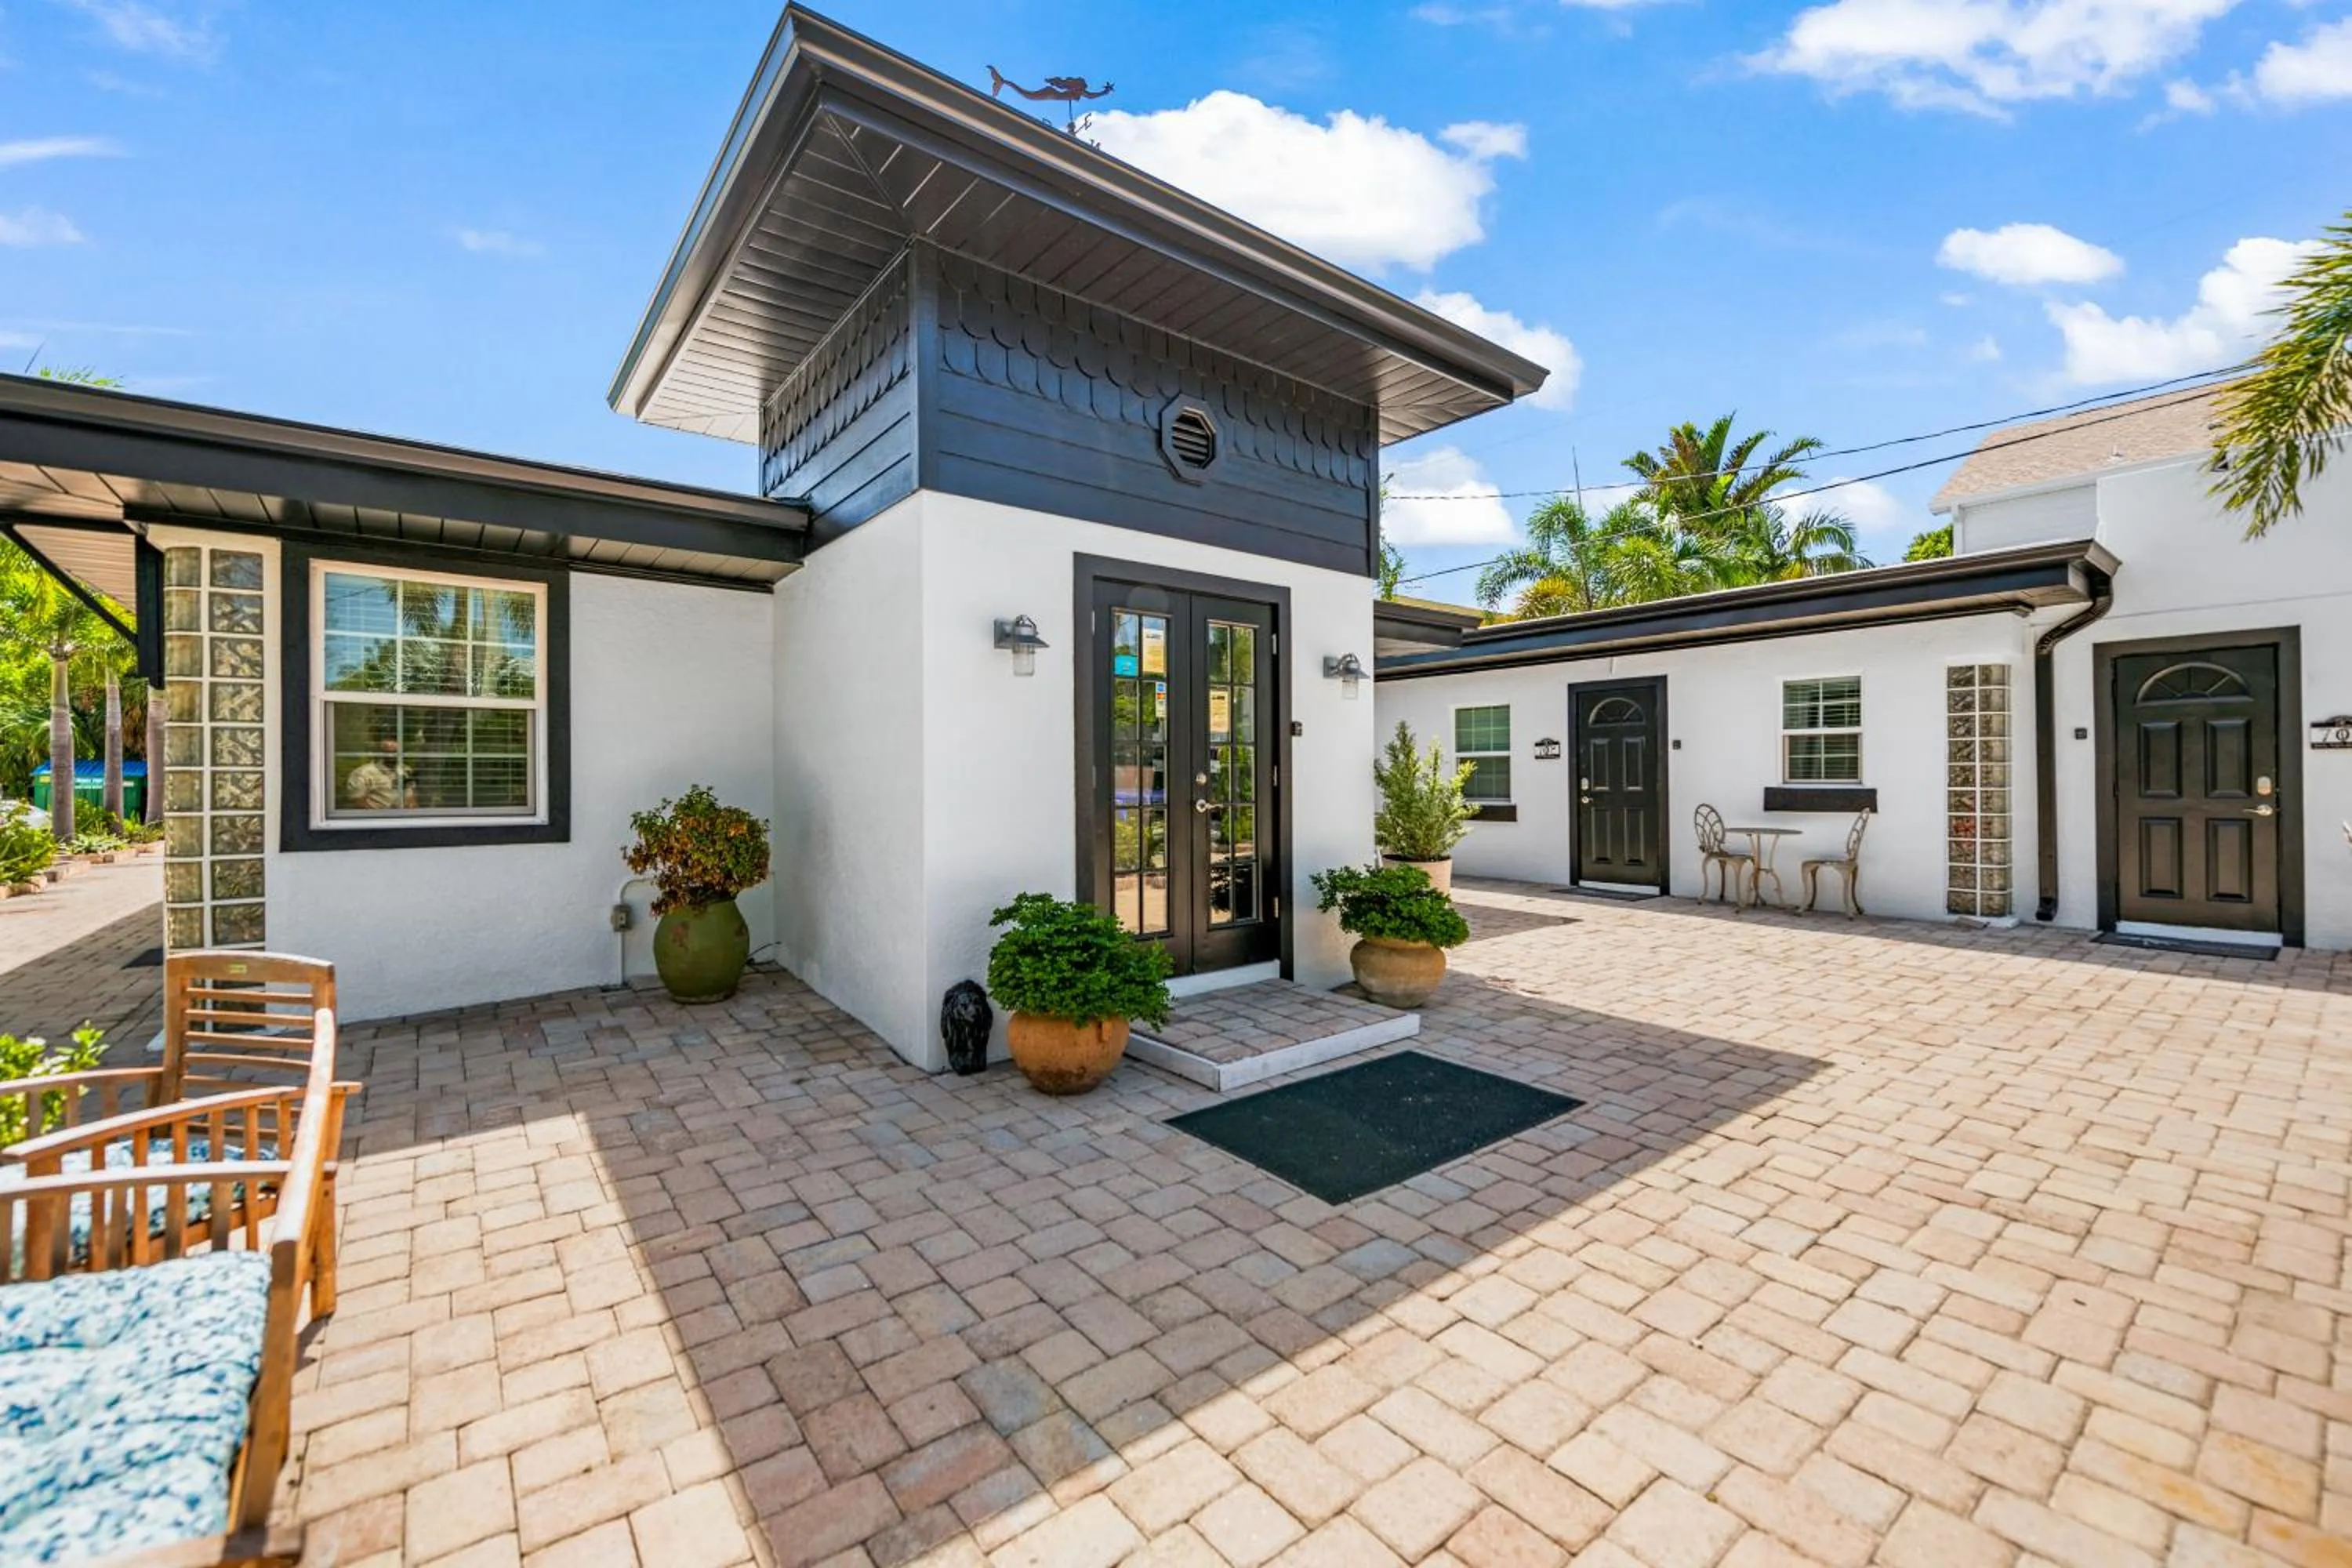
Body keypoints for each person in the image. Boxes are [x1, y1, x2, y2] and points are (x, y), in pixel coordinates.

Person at [342, 737, 416, 811]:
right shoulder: (363, 773)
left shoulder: (405, 771)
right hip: (375, 819)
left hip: (401, 818)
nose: (391, 756)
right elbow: (359, 803)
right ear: (380, 753)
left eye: (395, 752)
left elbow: (410, 798)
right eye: (388, 752)